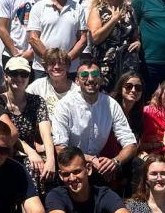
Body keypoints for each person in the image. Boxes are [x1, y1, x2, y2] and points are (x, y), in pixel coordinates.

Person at [51, 59, 138, 191]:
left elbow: (130, 144)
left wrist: (115, 161)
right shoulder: (65, 105)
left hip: (100, 166)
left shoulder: (111, 104)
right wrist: (90, 159)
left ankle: (134, 202)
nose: (90, 79)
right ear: (77, 80)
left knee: (138, 164)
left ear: (101, 79)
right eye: (84, 75)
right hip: (72, 164)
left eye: (95, 75)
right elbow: (60, 148)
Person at [0, 56, 55, 193]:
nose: (19, 77)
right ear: (6, 76)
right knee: (31, 167)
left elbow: (46, 133)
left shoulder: (37, 101)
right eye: (14, 73)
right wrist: (31, 153)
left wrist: (51, 160)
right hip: (10, 151)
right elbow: (9, 135)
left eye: (24, 74)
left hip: (33, 151)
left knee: (51, 167)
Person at [27, 0, 87, 77]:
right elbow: (33, 38)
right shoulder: (38, 7)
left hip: (70, 69)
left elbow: (83, 39)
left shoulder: (78, 8)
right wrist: (50, 60)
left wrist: (66, 60)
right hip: (43, 69)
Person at [86, 0, 141, 91]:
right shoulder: (98, 10)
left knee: (126, 93)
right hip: (105, 63)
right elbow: (95, 38)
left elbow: (135, 35)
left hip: (127, 63)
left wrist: (137, 42)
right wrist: (113, 20)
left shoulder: (129, 10)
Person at [27, 47, 74, 117]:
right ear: (46, 68)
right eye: (52, 63)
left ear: (67, 67)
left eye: (61, 63)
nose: (57, 67)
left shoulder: (76, 90)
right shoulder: (37, 86)